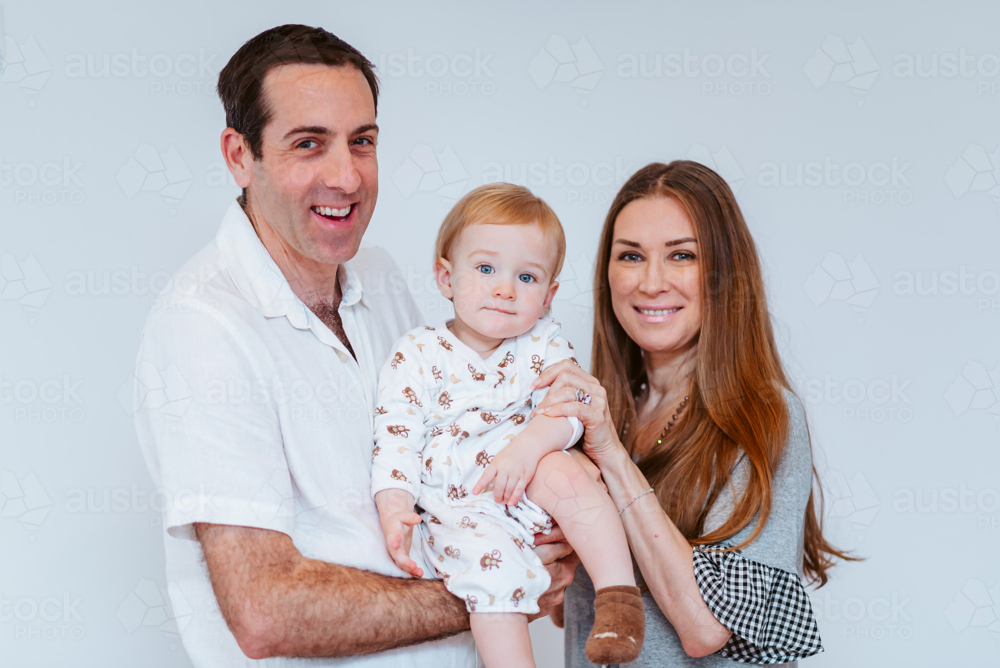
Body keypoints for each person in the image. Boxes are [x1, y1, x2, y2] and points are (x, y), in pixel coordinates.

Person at [132, 25, 579, 667]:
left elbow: (448, 450)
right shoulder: (203, 324)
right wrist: (503, 583)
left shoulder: (381, 276)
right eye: (308, 143)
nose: (345, 177)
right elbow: (266, 611)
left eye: (361, 142)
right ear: (239, 155)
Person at [529, 161, 856, 666]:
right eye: (631, 256)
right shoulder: (595, 416)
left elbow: (705, 628)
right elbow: (570, 611)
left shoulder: (763, 416)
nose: (652, 283)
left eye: (681, 255)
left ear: (724, 273)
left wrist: (612, 460)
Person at [370, 184, 646, 667]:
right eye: (485, 269)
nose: (504, 288)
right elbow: (397, 435)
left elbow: (575, 403)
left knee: (572, 473)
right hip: (465, 505)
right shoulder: (417, 352)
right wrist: (394, 503)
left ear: (549, 295)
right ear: (445, 276)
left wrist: (529, 446)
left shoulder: (541, 342)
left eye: (526, 276)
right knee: (491, 583)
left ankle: (618, 601)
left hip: (531, 491)